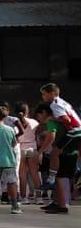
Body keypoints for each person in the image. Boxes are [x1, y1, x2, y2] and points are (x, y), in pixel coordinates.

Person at [38, 82, 78, 214]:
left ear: (51, 93)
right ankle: (56, 201)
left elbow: (66, 120)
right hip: (76, 131)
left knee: (55, 153)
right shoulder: (63, 102)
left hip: (74, 131)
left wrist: (52, 118)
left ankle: (51, 177)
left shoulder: (55, 105)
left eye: (44, 94)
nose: (43, 96)